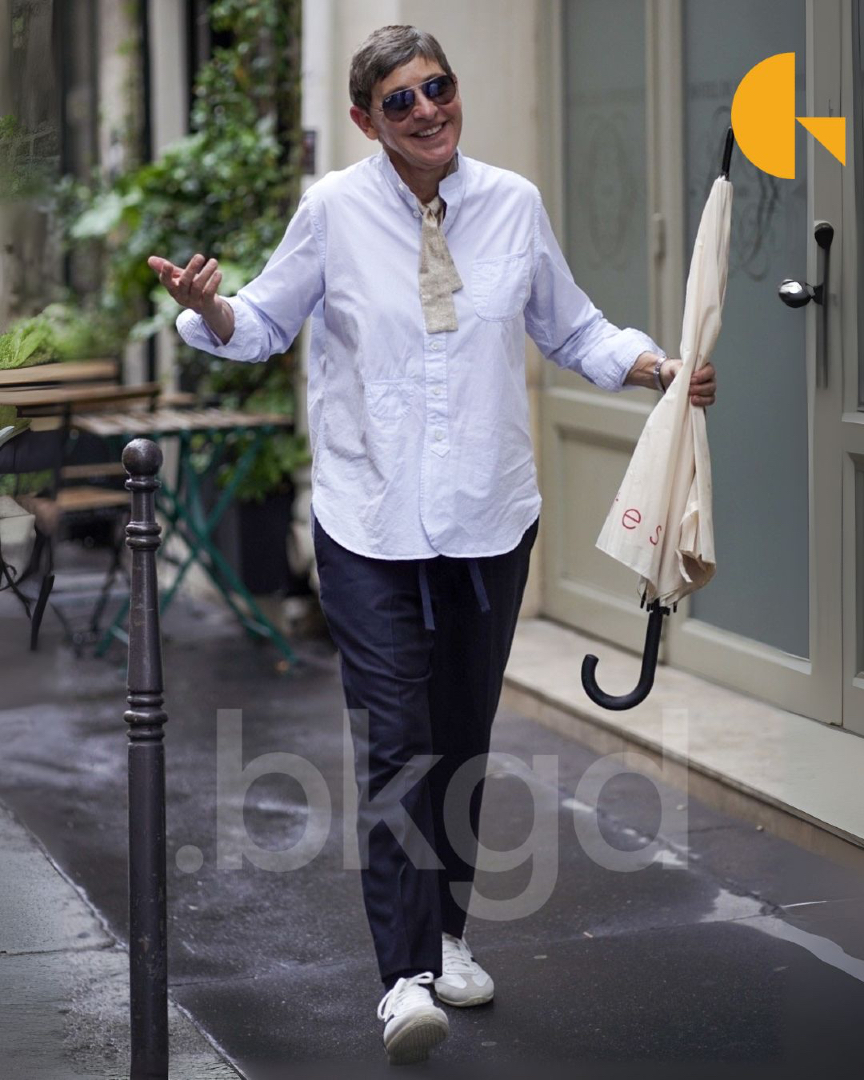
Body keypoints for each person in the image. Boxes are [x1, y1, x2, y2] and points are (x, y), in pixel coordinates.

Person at [148, 25, 717, 1065]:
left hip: (489, 512)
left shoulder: (511, 204)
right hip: (368, 517)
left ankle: (449, 932)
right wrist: (209, 311)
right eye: (400, 101)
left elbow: (573, 326)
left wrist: (655, 367)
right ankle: (403, 976)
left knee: (460, 734)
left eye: (439, 88)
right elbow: (264, 323)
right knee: (399, 739)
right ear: (368, 120)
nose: (428, 111)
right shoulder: (332, 212)